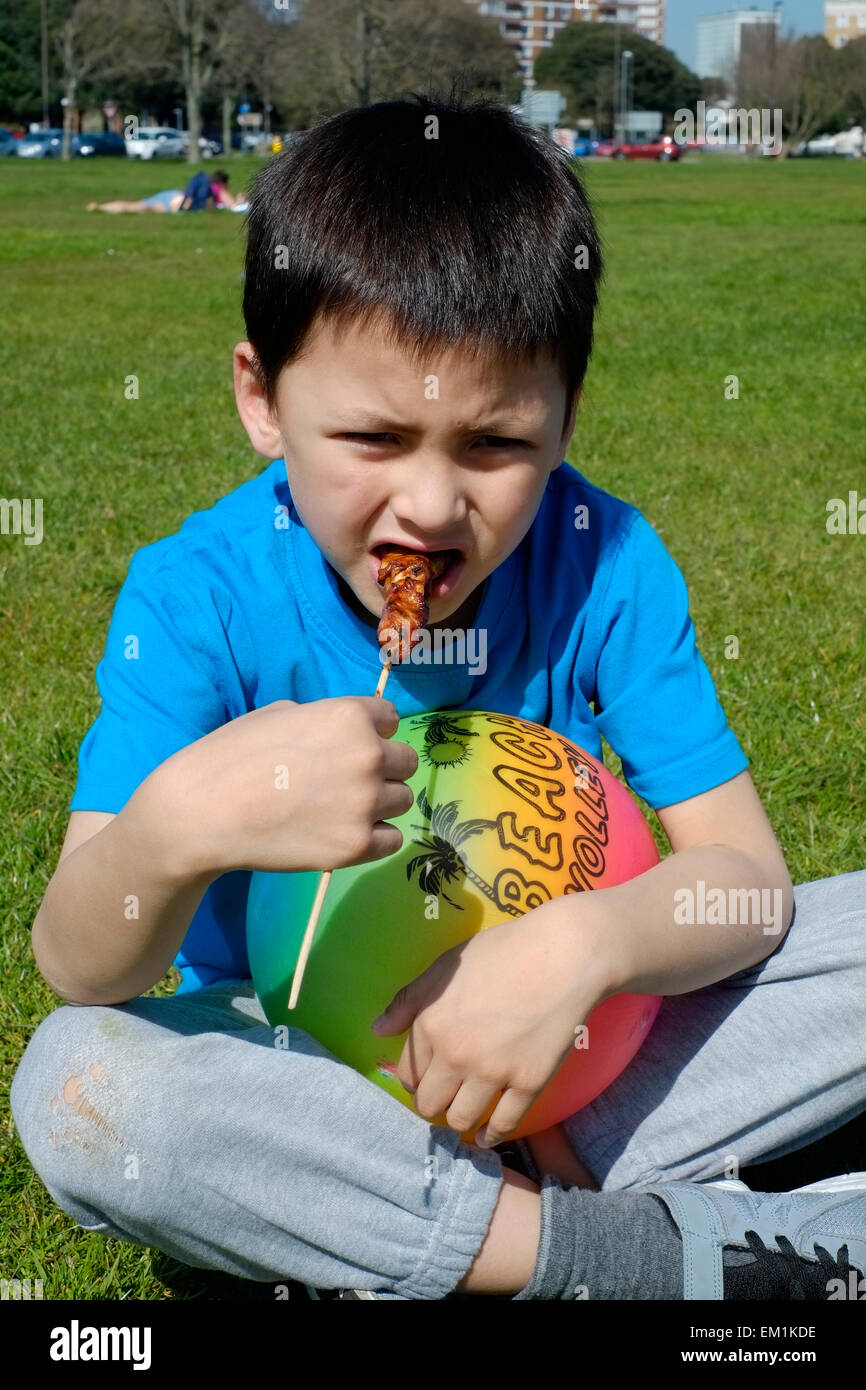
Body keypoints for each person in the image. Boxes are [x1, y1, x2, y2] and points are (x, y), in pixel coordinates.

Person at [11, 92, 865, 1303]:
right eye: (367, 438)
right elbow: (73, 963)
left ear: (566, 412)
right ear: (262, 400)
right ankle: (634, 1250)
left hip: (590, 1051)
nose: (426, 506)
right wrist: (176, 827)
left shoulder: (604, 562)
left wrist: (584, 943)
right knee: (81, 1081)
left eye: (493, 446)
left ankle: (437, 1233)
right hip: (307, 1083)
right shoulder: (193, 596)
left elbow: (747, 883)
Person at [87, 169, 246, 215]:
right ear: (223, 182)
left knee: (137, 205)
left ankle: (101, 207)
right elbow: (233, 206)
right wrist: (240, 199)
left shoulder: (204, 185)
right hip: (178, 202)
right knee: (143, 208)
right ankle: (104, 210)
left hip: (174, 194)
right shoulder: (219, 189)